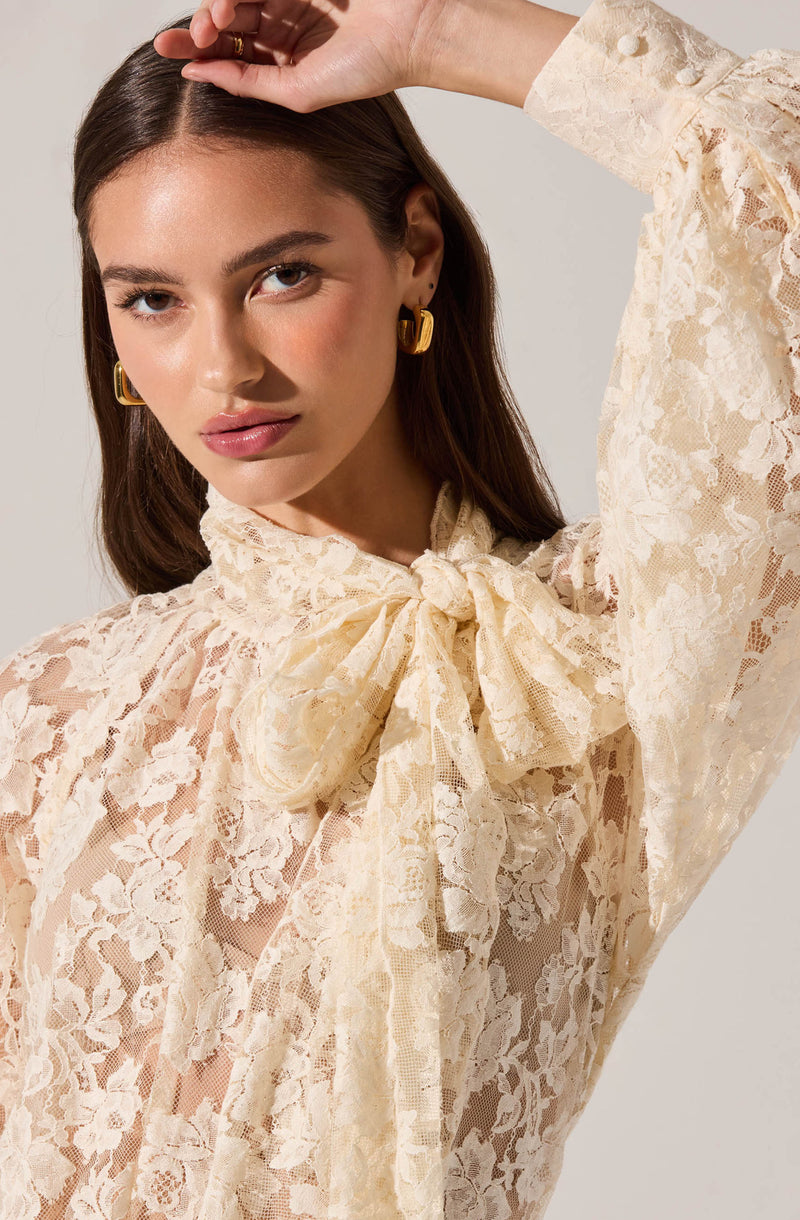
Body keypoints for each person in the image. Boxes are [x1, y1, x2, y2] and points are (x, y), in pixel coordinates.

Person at [0, 0, 798, 1215]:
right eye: (151, 299)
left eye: (281, 274)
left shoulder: (579, 657)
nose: (224, 367)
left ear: (413, 249)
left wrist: (435, 33)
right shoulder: (50, 714)